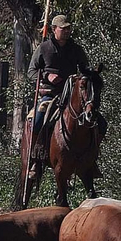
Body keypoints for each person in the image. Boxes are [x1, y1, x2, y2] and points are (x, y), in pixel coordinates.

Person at [26, 14, 90, 166]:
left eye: (68, 28)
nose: (67, 31)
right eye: (63, 28)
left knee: (98, 122)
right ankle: (35, 157)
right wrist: (47, 76)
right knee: (38, 120)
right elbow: (31, 72)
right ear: (54, 29)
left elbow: (85, 70)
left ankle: (90, 160)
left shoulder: (76, 50)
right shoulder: (43, 48)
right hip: (50, 95)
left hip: (72, 96)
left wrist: (84, 77)